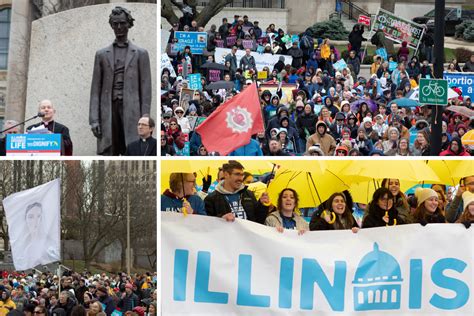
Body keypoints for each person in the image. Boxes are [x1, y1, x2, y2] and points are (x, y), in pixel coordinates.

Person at [90, 6, 152, 156]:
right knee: (109, 149)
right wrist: (94, 120)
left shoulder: (140, 53)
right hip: (109, 108)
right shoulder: (101, 54)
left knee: (131, 148)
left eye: (122, 23)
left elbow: (146, 88)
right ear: (111, 25)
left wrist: (145, 118)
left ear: (128, 24)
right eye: (115, 24)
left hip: (131, 108)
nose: (119, 27)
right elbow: (95, 90)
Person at [204, 160, 270, 223]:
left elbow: (258, 221)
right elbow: (208, 225)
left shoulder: (249, 194)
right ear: (226, 174)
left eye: (242, 175)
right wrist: (221, 219)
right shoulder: (211, 199)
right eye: (237, 174)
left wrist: (262, 206)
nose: (241, 178)